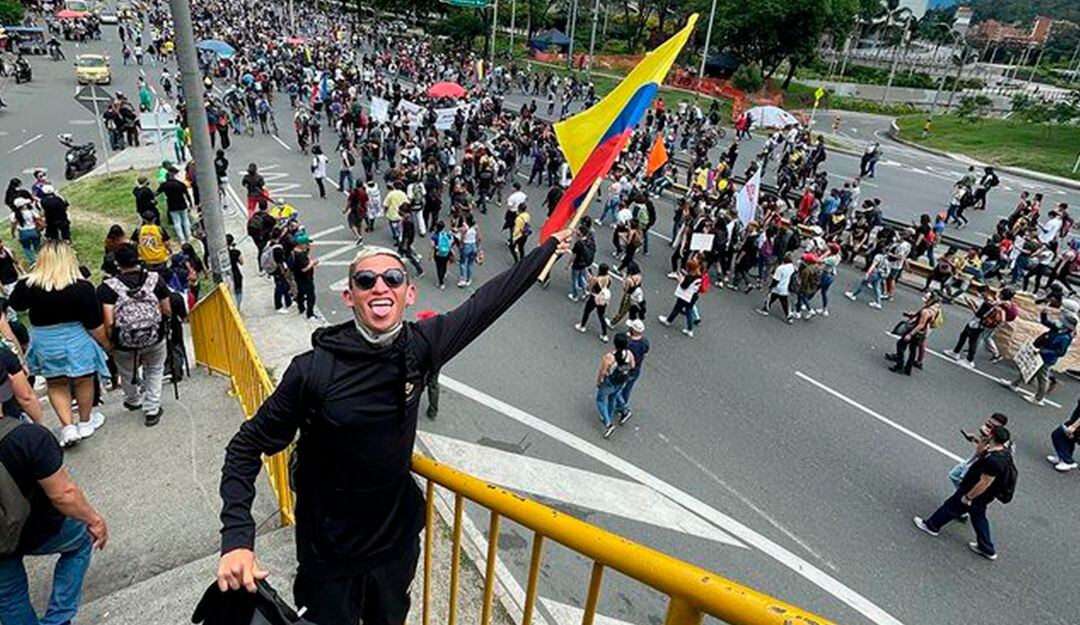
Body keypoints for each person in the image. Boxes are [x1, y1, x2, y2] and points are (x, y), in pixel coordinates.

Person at [216, 231, 571, 624]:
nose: (380, 287)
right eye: (366, 281)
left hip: (395, 550)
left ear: (409, 293)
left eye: (393, 279)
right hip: (330, 559)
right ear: (349, 296)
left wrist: (547, 250)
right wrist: (236, 539)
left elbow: (485, 304)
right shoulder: (312, 371)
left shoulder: (421, 346)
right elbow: (245, 446)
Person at [0, 411, 108, 625]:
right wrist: (94, 520)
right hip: (41, 527)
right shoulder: (27, 436)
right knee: (83, 539)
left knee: (9, 596)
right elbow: (63, 494)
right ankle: (58, 620)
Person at [9, 241, 111, 447]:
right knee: (84, 380)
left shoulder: (28, 285)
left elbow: (15, 303)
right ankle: (85, 421)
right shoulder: (82, 287)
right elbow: (94, 323)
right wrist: (106, 344)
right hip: (76, 338)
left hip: (45, 341)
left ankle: (67, 426)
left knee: (55, 383)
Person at [914, 425, 1014, 561]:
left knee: (951, 506)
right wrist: (983, 442)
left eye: (990, 433)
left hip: (976, 491)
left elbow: (985, 482)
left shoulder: (994, 461)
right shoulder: (1002, 452)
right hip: (983, 494)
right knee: (979, 517)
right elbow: (979, 454)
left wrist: (968, 497)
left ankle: (932, 526)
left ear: (993, 436)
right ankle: (987, 548)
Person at [98, 243, 171, 426]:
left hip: (124, 342)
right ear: (138, 258)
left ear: (117, 263)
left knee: (127, 371)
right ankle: (152, 408)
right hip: (154, 337)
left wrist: (111, 342)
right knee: (154, 369)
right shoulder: (155, 279)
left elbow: (109, 322)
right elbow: (167, 309)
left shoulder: (107, 288)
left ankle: (133, 400)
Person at [1002, 308, 1076, 406]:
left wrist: (1043, 351)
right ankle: (1014, 384)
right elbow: (1045, 321)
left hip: (1047, 359)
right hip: (1039, 353)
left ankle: (1039, 398)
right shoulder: (1058, 329)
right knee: (1027, 370)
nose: (1058, 322)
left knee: (1042, 378)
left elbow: (1060, 352)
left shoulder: (1065, 338)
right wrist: (1044, 314)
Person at [887, 291, 941, 375]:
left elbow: (920, 324)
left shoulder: (925, 311)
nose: (924, 299)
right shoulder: (935, 310)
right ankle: (908, 369)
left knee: (901, 344)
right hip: (922, 333)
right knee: (913, 350)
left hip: (916, 332)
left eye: (926, 298)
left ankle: (899, 365)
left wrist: (910, 334)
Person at [595, 332, 635, 439]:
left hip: (610, 382)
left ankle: (608, 424)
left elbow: (603, 372)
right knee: (613, 398)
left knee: (600, 400)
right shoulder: (629, 354)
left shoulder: (609, 357)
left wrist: (599, 381)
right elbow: (632, 366)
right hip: (621, 381)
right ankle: (609, 414)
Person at [614, 319, 649, 426]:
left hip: (626, 369)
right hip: (637, 369)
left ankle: (624, 409)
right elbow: (646, 353)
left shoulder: (628, 343)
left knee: (616, 389)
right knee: (628, 389)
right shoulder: (645, 341)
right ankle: (621, 406)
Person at [156, 166, 194, 242]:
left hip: (172, 205)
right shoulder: (180, 184)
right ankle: (189, 236)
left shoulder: (165, 185)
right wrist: (190, 204)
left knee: (177, 223)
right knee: (185, 220)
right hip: (182, 204)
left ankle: (182, 239)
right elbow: (187, 195)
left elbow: (156, 193)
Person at [576, 264, 612, 342]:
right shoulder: (609, 278)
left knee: (587, 312)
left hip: (594, 298)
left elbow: (589, 288)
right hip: (603, 299)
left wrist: (590, 279)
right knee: (601, 315)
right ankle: (604, 334)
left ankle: (582, 326)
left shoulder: (596, 279)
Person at [758, 253, 796, 323]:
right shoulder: (792, 267)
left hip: (778, 287)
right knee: (784, 302)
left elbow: (776, 280)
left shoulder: (780, 268)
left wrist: (770, 286)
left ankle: (765, 309)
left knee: (770, 298)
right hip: (785, 287)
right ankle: (789, 316)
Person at [290, 233, 319, 320]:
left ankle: (301, 308)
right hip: (305, 278)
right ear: (301, 244)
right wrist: (313, 263)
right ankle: (310, 314)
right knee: (311, 296)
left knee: (301, 293)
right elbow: (304, 269)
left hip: (298, 277)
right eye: (306, 243)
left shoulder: (295, 252)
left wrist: (308, 250)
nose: (308, 245)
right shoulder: (300, 256)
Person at [1048, 399, 1080, 472]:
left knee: (1057, 435)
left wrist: (1074, 426)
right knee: (1069, 438)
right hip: (1075, 421)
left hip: (1076, 424)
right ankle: (1063, 457)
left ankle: (1067, 461)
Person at [8, 197, 41, 266]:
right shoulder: (30, 211)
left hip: (23, 233)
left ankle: (32, 261)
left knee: (26, 248)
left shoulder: (14, 215)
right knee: (37, 246)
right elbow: (38, 218)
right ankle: (41, 258)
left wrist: (12, 234)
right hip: (33, 230)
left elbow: (13, 225)